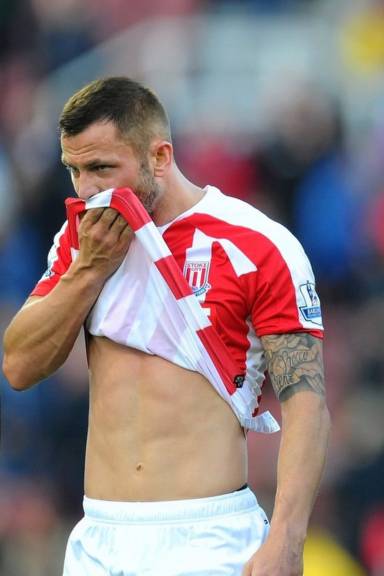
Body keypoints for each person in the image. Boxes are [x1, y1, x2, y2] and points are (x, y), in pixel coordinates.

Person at [1, 77, 330, 575]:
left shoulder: (257, 244)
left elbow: (307, 402)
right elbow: (19, 366)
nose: (86, 189)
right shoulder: (81, 242)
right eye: (74, 170)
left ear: (159, 157)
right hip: (99, 536)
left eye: (101, 168)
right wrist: (89, 269)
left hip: (206, 537)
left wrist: (286, 535)